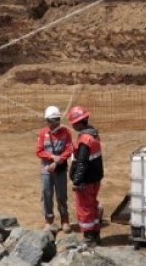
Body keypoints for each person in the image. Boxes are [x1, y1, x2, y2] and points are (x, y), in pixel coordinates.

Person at [67, 105, 104, 246]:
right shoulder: (93, 134)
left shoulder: (84, 140)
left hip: (86, 181)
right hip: (95, 179)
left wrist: (77, 181)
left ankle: (88, 239)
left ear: (78, 123)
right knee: (93, 206)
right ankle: (95, 235)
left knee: (84, 209)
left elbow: (82, 163)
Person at [35, 105, 74, 233]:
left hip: (60, 168)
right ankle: (49, 220)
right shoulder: (42, 134)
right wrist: (52, 156)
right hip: (46, 169)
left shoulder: (65, 132)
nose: (56, 122)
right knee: (46, 193)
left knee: (61, 195)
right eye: (53, 120)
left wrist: (58, 161)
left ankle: (65, 220)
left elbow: (69, 149)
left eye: (57, 119)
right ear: (47, 121)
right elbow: (39, 151)